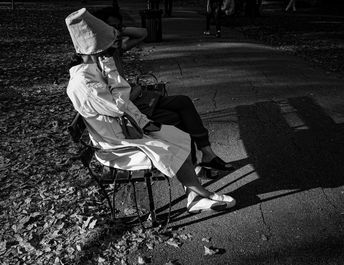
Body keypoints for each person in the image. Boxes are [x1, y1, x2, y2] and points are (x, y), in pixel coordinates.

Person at [65, 8, 236, 213]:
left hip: (126, 128)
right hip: (116, 144)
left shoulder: (92, 70)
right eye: (109, 51)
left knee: (178, 135)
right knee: (167, 145)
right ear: (95, 52)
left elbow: (123, 104)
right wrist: (111, 69)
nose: (111, 55)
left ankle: (194, 195)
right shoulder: (83, 82)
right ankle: (201, 194)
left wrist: (145, 120)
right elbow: (119, 106)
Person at [93, 7, 235, 173]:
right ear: (100, 29)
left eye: (118, 27)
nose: (116, 31)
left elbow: (143, 33)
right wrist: (135, 91)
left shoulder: (114, 50)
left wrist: (118, 31)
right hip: (131, 112)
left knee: (183, 102)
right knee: (176, 117)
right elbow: (114, 103)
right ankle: (194, 167)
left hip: (140, 101)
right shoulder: (97, 61)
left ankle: (207, 154)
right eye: (111, 27)